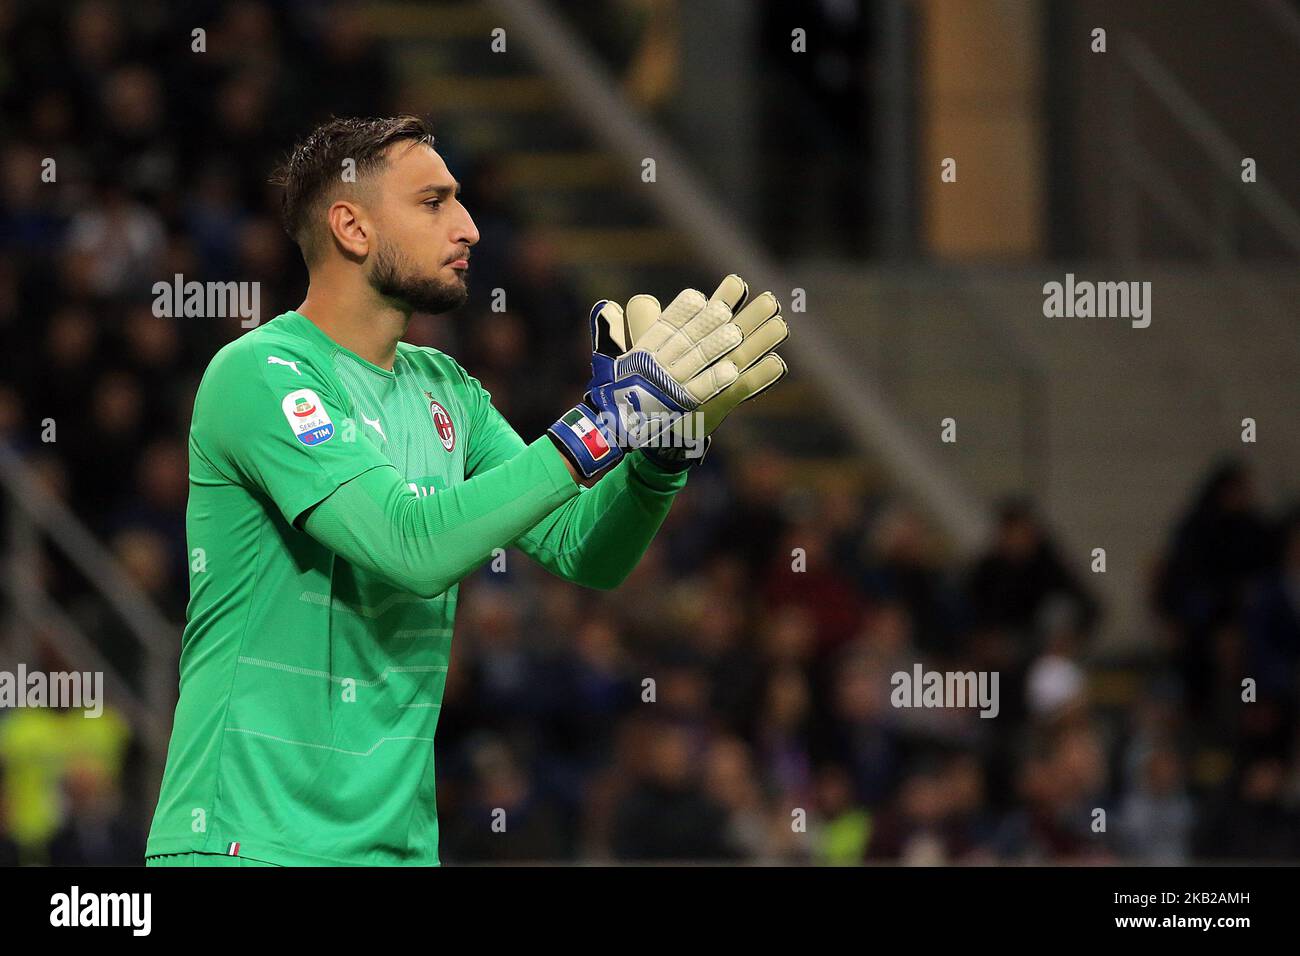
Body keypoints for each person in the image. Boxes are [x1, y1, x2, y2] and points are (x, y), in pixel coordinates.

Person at [145, 115, 788, 866]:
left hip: (398, 848)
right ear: (351, 226)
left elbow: (586, 552)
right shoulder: (260, 373)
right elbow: (408, 546)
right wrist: (607, 422)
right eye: (433, 202)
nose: (471, 227)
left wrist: (657, 456)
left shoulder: (447, 388)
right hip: (246, 841)